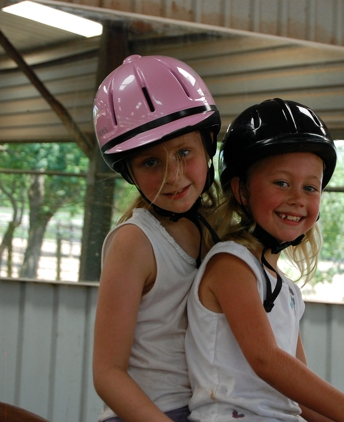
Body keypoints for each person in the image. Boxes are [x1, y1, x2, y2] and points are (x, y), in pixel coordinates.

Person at [185, 98, 344, 422]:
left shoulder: (287, 291)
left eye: (310, 187)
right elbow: (266, 360)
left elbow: (299, 396)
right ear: (241, 190)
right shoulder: (231, 265)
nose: (297, 198)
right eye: (281, 183)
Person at [92, 55, 221, 422]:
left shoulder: (215, 231)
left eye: (184, 152)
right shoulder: (135, 242)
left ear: (208, 145)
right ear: (129, 171)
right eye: (151, 162)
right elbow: (107, 374)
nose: (173, 176)